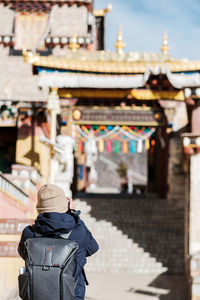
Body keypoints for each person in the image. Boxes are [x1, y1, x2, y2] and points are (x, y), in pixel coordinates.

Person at [18, 184, 99, 300]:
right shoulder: (78, 232)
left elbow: (23, 254)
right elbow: (93, 247)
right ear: (66, 204)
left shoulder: (29, 233)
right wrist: (74, 214)